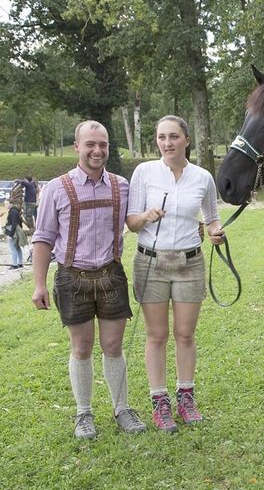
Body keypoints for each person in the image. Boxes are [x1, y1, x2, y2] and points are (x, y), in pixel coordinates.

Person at [31, 120, 146, 440]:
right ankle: (84, 413)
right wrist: (39, 284)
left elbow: (140, 224)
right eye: (91, 144)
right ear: (77, 147)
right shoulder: (56, 187)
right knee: (81, 347)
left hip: (111, 275)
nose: (98, 151)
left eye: (104, 144)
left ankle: (122, 408)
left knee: (113, 346)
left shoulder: (122, 186)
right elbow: (42, 238)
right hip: (72, 278)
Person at [126, 115, 224, 432]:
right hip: (150, 262)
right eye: (162, 137)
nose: (167, 143)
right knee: (156, 335)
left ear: (187, 139)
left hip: (189, 262)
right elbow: (131, 222)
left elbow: (212, 218)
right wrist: (147, 216)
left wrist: (216, 232)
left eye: (174, 137)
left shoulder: (202, 177)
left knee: (185, 334)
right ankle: (160, 402)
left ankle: (186, 397)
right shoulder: (144, 173)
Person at [4, 199, 24, 269]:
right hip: (16, 231)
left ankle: (15, 264)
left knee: (13, 248)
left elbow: (14, 224)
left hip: (13, 232)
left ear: (11, 204)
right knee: (17, 247)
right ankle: (20, 263)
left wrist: (10, 234)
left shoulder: (13, 212)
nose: (5, 206)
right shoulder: (15, 211)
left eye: (6, 204)